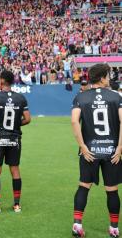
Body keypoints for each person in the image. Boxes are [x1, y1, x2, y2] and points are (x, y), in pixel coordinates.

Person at [71, 64, 122, 238]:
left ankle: (77, 225)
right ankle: (114, 228)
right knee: (112, 190)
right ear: (101, 78)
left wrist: (83, 146)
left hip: (89, 151)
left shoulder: (81, 97)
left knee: (84, 187)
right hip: (111, 152)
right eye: (107, 75)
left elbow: (73, 121)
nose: (109, 78)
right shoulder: (116, 96)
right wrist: (120, 147)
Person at [0, 70, 31, 214]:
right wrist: (16, 126)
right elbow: (28, 119)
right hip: (14, 138)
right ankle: (17, 205)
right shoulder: (21, 98)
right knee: (15, 170)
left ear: (2, 81)